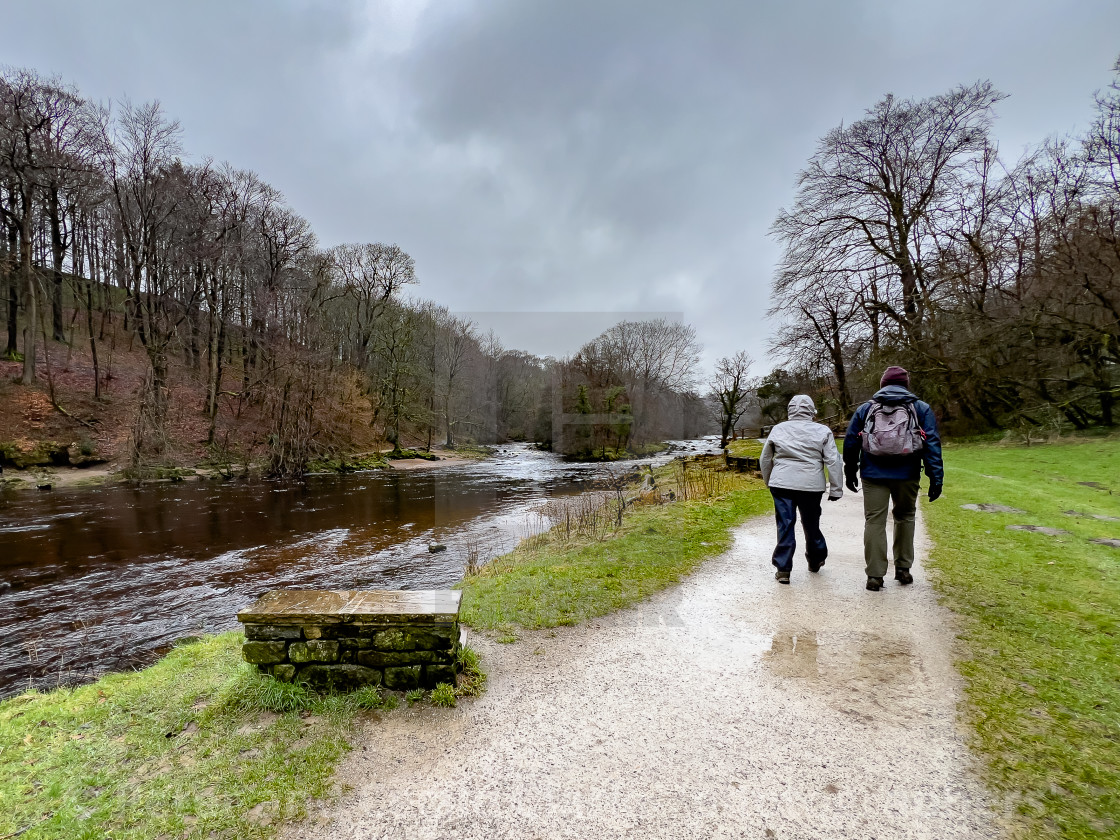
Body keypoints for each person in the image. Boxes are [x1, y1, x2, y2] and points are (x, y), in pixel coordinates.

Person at [843, 366, 943, 592]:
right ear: (906, 385)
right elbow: (932, 444)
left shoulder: (866, 409)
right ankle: (903, 569)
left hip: (873, 473)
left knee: (874, 521)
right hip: (907, 473)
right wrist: (935, 476)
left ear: (882, 384)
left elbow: (851, 442)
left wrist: (850, 472)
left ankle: (875, 576)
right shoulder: (920, 408)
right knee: (905, 516)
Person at [760, 394, 843, 584]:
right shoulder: (822, 431)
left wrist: (770, 480)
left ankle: (783, 569)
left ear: (790, 410)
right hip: (811, 485)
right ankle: (816, 559)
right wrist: (836, 489)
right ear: (812, 410)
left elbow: (765, 459)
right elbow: (833, 460)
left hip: (782, 484)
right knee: (811, 523)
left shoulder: (779, 429)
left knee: (785, 523)